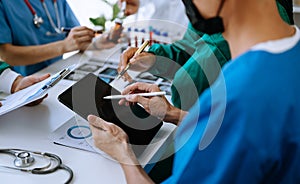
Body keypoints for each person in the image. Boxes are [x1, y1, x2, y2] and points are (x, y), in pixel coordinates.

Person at [88, 0, 300, 183]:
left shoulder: (239, 101)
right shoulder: (287, 56)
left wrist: (122, 152)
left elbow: (236, 125)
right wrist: (173, 113)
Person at [119, 0, 293, 111]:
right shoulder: (213, 16)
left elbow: (188, 84)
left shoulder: (237, 38)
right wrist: (153, 60)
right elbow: (187, 47)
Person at [0, 0, 95, 76]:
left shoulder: (58, 2)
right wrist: (63, 46)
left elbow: (78, 40)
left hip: (59, 73)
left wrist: (100, 41)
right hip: (24, 83)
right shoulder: (5, 3)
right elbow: (7, 55)